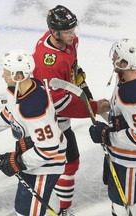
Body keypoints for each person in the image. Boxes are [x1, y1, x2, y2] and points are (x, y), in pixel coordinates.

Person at [32, 5, 110, 215]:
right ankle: (58, 210)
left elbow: (73, 66)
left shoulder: (70, 41)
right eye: (67, 32)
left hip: (56, 113)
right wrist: (93, 107)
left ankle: (61, 209)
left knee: (69, 162)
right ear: (54, 32)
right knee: (64, 164)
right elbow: (60, 104)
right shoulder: (49, 61)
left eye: (73, 29)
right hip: (48, 119)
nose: (73, 35)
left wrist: (78, 79)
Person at [0, 49, 67, 216]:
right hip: (38, 156)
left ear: (18, 76)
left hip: (45, 164)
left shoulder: (33, 107)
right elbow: (11, 111)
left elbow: (48, 149)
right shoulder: (26, 86)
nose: (3, 75)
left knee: (25, 210)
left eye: (6, 72)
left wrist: (18, 162)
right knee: (41, 199)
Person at [89, 38, 136, 216]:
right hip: (124, 154)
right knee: (118, 198)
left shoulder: (133, 94)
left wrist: (107, 135)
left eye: (116, 56)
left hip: (131, 159)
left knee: (124, 203)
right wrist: (110, 112)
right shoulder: (135, 72)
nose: (112, 58)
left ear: (125, 62)